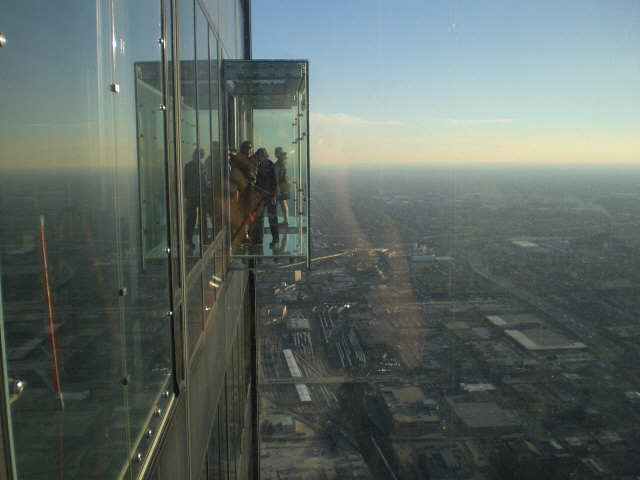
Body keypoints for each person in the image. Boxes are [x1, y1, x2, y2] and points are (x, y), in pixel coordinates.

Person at [249, 148, 279, 249]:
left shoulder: (269, 165)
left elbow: (275, 181)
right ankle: (262, 239)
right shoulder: (265, 165)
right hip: (264, 195)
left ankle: (274, 240)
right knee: (264, 218)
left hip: (268, 196)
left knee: (271, 218)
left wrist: (273, 195)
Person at [274, 147, 290, 226]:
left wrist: (277, 185)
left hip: (282, 184)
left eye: (276, 152)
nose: (274, 154)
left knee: (283, 202)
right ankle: (286, 220)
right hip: (282, 184)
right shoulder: (281, 161)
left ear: (279, 153)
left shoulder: (281, 162)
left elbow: (279, 174)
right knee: (283, 202)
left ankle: (286, 220)